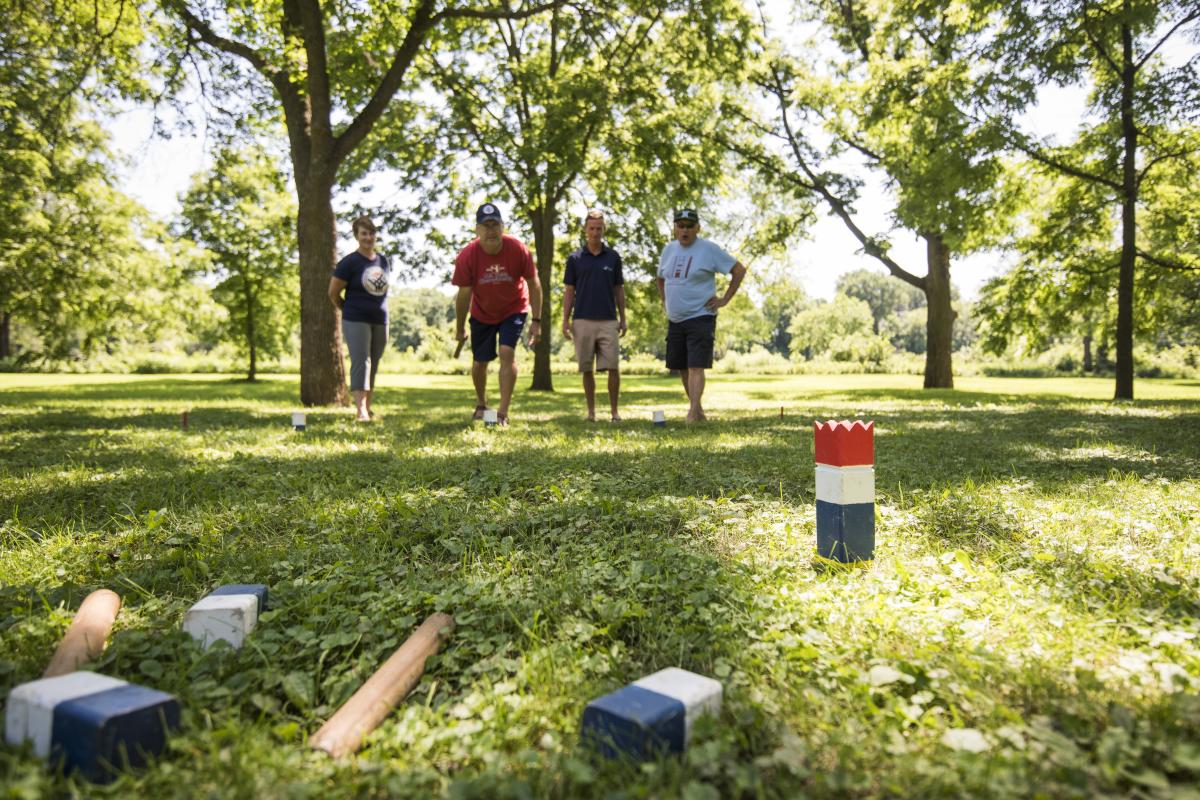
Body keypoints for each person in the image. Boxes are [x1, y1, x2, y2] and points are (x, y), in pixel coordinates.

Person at [452, 202, 542, 426]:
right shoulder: (467, 256)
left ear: (503, 227)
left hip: (513, 308)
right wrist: (460, 327)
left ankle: (501, 413)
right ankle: (482, 404)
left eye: (495, 225)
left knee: (506, 352)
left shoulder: (518, 249)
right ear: (477, 230)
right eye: (486, 225)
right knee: (480, 363)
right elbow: (463, 295)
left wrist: (537, 321)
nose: (491, 230)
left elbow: (534, 284)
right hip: (482, 312)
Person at [656, 208, 747, 423]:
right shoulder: (668, 250)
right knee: (682, 367)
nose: (685, 230)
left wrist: (724, 299)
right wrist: (665, 300)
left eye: (689, 226)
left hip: (700, 315)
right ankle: (697, 411)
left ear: (697, 228)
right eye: (681, 225)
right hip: (675, 319)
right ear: (675, 228)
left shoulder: (709, 249)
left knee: (696, 365)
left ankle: (692, 413)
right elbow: (660, 278)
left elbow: (739, 270)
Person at [562, 209, 627, 422]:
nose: (595, 232)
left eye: (599, 228)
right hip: (582, 319)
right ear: (585, 230)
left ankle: (614, 412)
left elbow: (619, 290)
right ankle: (591, 413)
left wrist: (623, 318)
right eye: (592, 228)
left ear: (603, 230)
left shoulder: (614, 257)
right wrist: (565, 320)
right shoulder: (575, 258)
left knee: (613, 367)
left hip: (608, 319)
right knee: (586, 368)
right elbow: (569, 291)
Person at [328, 215, 390, 422]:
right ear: (356, 236)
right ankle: (360, 410)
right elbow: (333, 293)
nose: (368, 237)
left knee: (374, 362)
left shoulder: (383, 261)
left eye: (371, 233)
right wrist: (345, 308)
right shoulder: (349, 262)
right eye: (364, 233)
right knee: (361, 362)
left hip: (380, 320)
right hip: (356, 318)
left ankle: (368, 406)